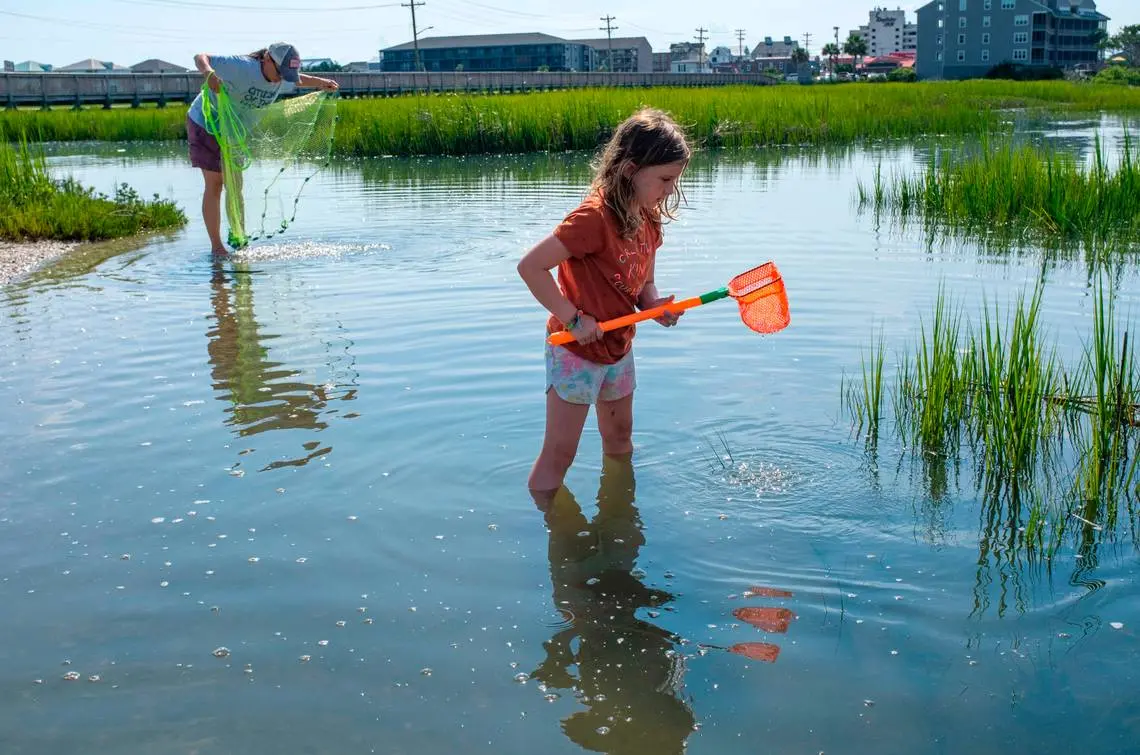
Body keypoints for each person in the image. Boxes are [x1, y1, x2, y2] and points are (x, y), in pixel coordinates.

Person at [517, 107, 691, 497]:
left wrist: (654, 306)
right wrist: (573, 319)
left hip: (618, 347)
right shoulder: (592, 220)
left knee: (620, 437)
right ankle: (547, 522)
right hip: (575, 351)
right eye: (664, 179)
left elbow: (643, 281)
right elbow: (530, 267)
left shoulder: (649, 217)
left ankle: (618, 517)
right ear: (630, 170)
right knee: (560, 453)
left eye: (675, 180)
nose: (670, 190)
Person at [186, 43, 338, 255]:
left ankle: (238, 238)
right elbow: (200, 56)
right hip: (207, 122)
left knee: (235, 184)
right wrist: (209, 73)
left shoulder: (282, 77)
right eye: (280, 72)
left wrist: (320, 83)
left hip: (234, 131)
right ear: (267, 59)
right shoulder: (241, 66)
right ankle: (217, 248)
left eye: (287, 74)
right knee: (216, 183)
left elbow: (298, 79)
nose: (281, 79)